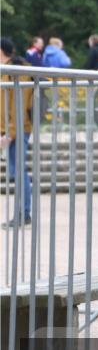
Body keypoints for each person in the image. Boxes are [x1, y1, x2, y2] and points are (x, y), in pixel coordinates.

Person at [0, 38, 33, 229]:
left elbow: (18, 107)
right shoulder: (6, 72)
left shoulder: (17, 72)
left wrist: (9, 134)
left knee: (19, 171)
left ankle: (23, 214)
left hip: (18, 130)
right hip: (10, 130)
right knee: (16, 171)